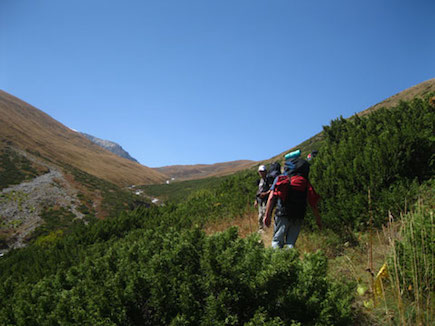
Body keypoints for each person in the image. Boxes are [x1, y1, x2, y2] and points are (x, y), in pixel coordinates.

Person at [264, 150, 322, 249]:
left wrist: (267, 215)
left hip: (282, 213)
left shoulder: (280, 178)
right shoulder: (304, 181)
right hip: (298, 214)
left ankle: (275, 262)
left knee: (277, 241)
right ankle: (288, 262)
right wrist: (318, 219)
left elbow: (271, 198)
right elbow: (313, 203)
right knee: (290, 244)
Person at [254, 165, 271, 232]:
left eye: (263, 171)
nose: (261, 173)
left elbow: (271, 189)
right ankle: (261, 229)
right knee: (260, 216)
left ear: (266, 172)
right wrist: (256, 200)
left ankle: (266, 230)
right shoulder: (259, 181)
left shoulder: (268, 180)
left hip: (266, 200)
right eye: (260, 171)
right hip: (260, 201)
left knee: (264, 215)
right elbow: (258, 191)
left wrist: (265, 194)